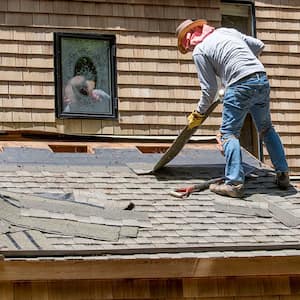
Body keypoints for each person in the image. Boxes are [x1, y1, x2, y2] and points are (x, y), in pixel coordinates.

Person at [175, 19, 289, 198]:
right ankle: (283, 174)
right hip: (261, 79)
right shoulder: (227, 32)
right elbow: (259, 45)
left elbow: (209, 90)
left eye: (186, 46)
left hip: (239, 84)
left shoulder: (200, 51)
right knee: (266, 128)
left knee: (229, 134)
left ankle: (234, 183)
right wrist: (240, 61)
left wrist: (198, 113)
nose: (188, 49)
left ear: (188, 40)